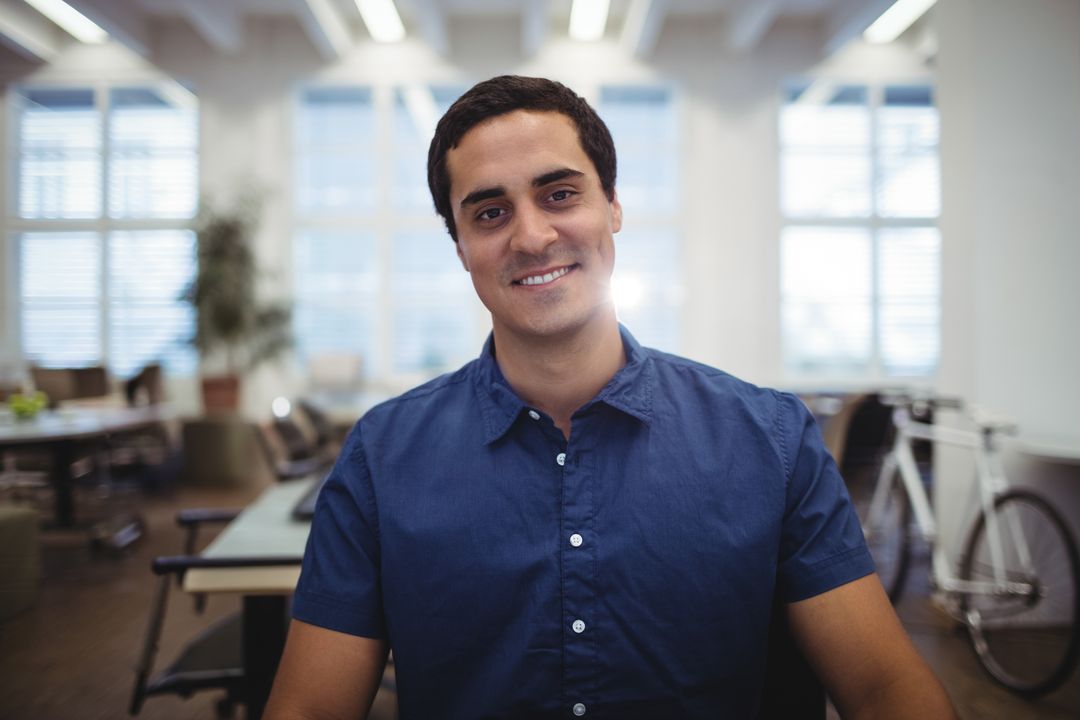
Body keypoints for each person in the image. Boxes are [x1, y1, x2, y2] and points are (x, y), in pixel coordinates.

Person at [266, 75, 956, 720]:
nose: (532, 236)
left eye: (560, 194)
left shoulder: (769, 439)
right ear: (460, 246)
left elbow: (881, 687)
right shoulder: (383, 458)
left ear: (614, 207)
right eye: (490, 211)